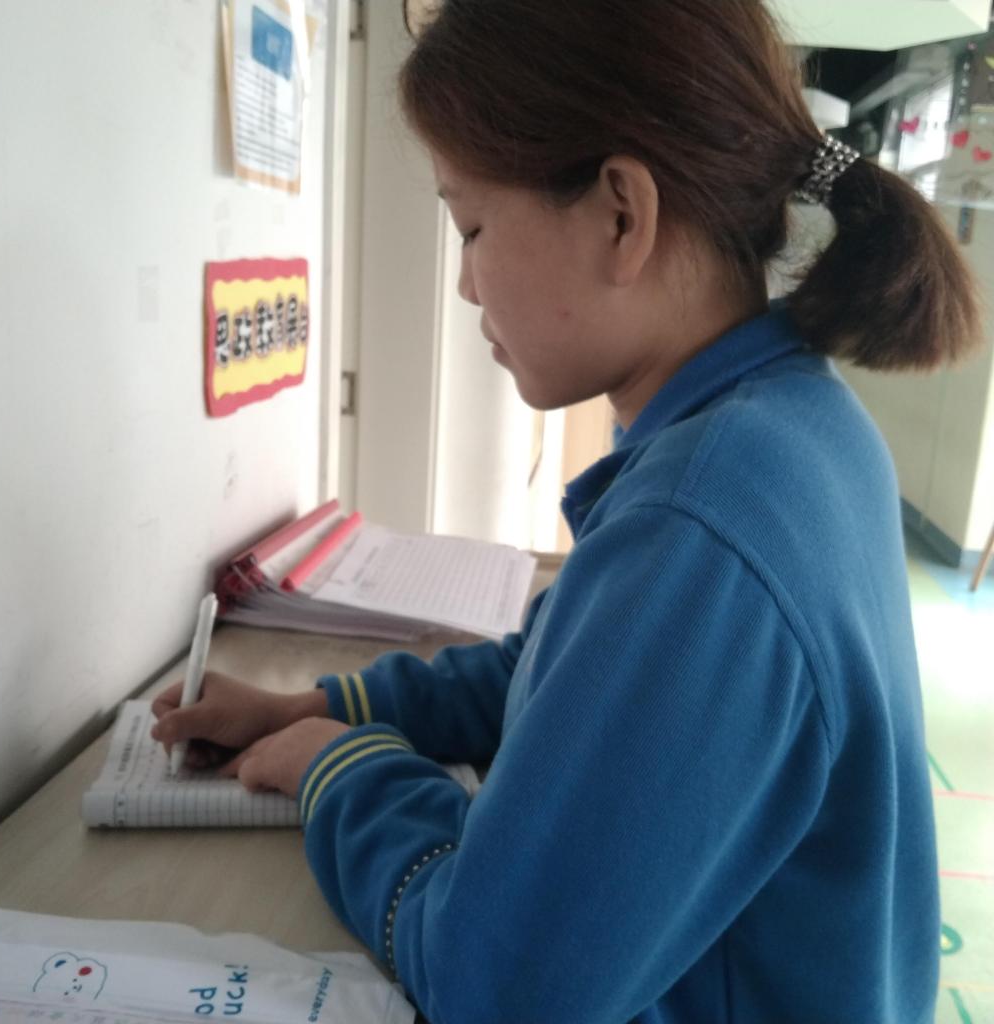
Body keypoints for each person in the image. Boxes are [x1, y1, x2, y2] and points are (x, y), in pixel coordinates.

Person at [152, 2, 981, 1021]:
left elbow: (497, 985)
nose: (465, 284)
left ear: (621, 216)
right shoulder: (784, 420)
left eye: (471, 227)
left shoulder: (699, 525)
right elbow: (556, 672)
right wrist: (320, 707)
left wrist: (340, 769)